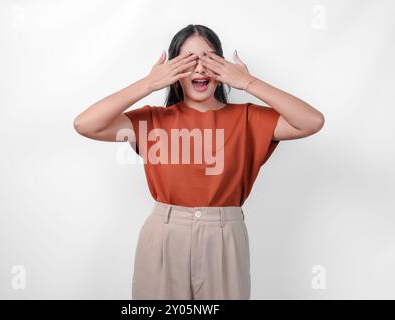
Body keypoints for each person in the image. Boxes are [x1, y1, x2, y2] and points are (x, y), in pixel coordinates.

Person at [73, 24, 325, 300]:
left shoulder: (247, 118)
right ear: (174, 70)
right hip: (165, 233)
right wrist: (148, 84)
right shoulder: (153, 120)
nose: (200, 69)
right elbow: (86, 124)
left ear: (222, 65)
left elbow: (311, 121)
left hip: (224, 235)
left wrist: (247, 83)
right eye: (189, 60)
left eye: (209, 59)